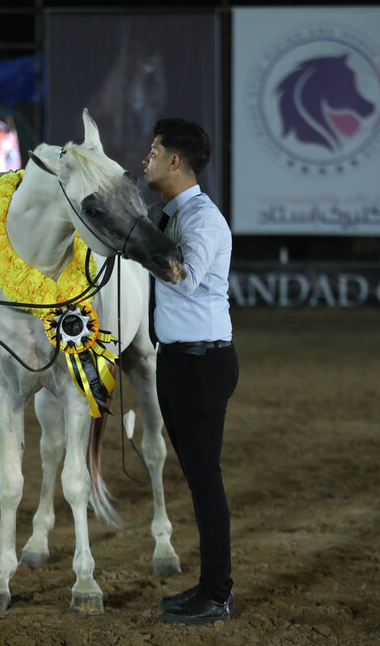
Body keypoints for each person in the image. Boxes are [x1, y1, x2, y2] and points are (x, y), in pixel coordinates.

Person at [141, 118, 239, 625]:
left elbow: (182, 274)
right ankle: (209, 586)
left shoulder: (202, 218)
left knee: (205, 481)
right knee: (199, 481)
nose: (147, 159)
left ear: (174, 161)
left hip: (203, 364)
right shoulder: (166, 216)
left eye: (154, 150)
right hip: (178, 361)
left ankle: (218, 593)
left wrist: (135, 233)